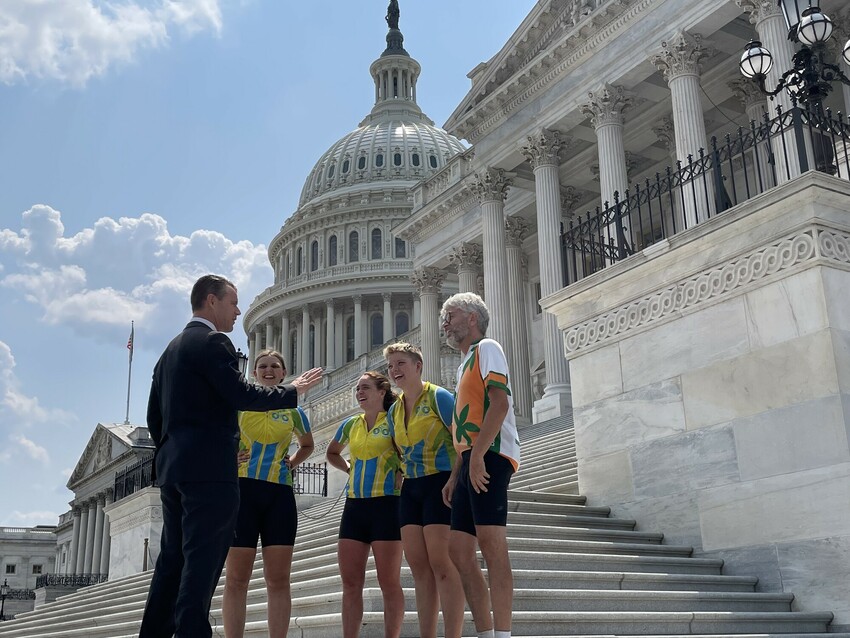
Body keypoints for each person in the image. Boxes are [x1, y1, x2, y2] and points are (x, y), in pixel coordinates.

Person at [139, 274, 323, 638]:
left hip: (175, 470)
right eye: (233, 302)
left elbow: (154, 416)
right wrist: (292, 390)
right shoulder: (213, 342)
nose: (238, 311)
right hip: (210, 472)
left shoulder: (170, 350)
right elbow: (240, 394)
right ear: (211, 301)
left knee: (171, 562)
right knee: (202, 562)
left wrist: (173, 453)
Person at [440, 293, 519, 638]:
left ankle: (502, 632)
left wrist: (476, 457)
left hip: (491, 453)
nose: (445, 323)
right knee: (459, 550)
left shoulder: (488, 347)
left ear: (472, 318)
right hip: (470, 457)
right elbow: (464, 423)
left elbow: (499, 405)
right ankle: (485, 631)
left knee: (491, 543)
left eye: (451, 315)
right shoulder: (463, 364)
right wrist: (456, 473)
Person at [222, 350, 314, 638]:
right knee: (237, 579)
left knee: (278, 579)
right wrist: (228, 457)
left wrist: (293, 462)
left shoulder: (294, 411)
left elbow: (308, 445)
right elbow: (218, 440)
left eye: (275, 366)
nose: (269, 369)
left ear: (284, 373)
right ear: (254, 373)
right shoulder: (238, 406)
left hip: (279, 495)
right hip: (242, 493)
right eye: (263, 366)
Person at [383, 342, 465, 638]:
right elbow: (397, 450)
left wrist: (455, 479)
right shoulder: (393, 411)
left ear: (418, 366)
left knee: (442, 564)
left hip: (440, 482)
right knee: (418, 569)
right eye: (391, 365)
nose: (394, 370)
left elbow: (462, 440)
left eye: (401, 363)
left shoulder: (439, 397)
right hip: (412, 487)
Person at [326, 372, 405, 638]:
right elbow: (332, 452)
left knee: (389, 583)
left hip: (387, 505)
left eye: (365, 388)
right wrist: (349, 468)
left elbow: (411, 450)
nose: (360, 393)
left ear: (382, 392)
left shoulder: (396, 420)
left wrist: (402, 472)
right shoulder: (350, 424)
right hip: (355, 507)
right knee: (350, 583)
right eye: (357, 389)